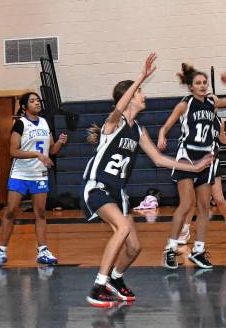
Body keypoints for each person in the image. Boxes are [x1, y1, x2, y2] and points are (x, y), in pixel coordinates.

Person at [82, 53, 212, 307]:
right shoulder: (114, 123)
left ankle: (115, 279)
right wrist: (141, 75)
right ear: (128, 98)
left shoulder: (138, 130)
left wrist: (194, 166)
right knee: (121, 228)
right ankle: (98, 285)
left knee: (133, 248)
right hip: (97, 187)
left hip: (118, 195)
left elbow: (159, 159)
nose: (144, 95)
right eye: (139, 92)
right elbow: (119, 106)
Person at [158, 65, 226, 270]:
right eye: (198, 83)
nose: (203, 86)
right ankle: (170, 248)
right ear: (191, 87)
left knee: (204, 207)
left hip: (206, 159)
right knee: (187, 205)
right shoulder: (185, 104)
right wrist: (161, 136)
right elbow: (166, 125)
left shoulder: (212, 102)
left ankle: (198, 250)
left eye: (205, 83)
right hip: (187, 156)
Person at [0, 92, 68, 268]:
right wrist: (36, 154)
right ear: (24, 107)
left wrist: (61, 142)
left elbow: (52, 150)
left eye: (38, 100)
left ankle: (43, 251)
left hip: (39, 174)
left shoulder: (45, 123)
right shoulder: (20, 124)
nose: (37, 103)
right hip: (20, 174)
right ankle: (1, 251)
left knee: (40, 213)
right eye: (32, 101)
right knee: (11, 211)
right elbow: (13, 151)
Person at [176, 114, 226, 245]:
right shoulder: (194, 116)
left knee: (219, 199)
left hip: (212, 163)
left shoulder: (220, 121)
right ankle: (185, 231)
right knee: (191, 201)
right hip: (195, 161)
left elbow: (223, 138)